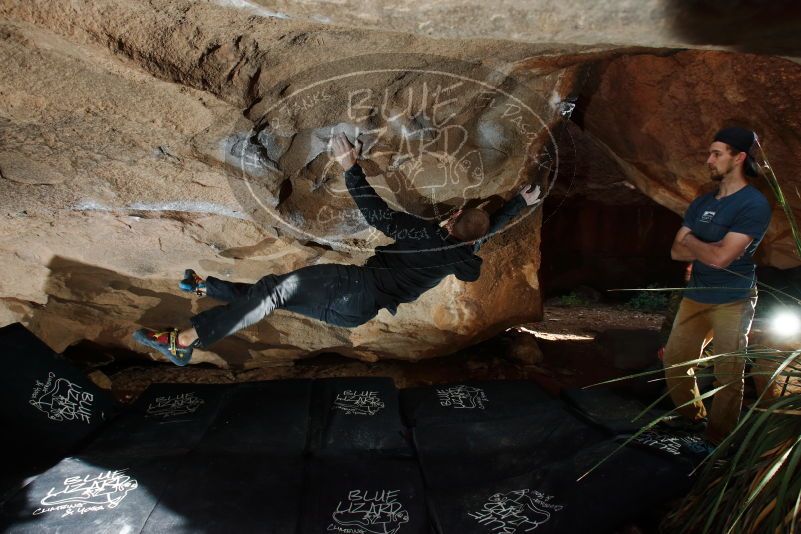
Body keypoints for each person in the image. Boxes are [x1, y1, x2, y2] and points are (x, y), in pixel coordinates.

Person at [134, 133, 543, 365]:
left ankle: (185, 341)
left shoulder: (426, 234)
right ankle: (207, 287)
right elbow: (482, 234)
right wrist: (517, 206)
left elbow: (379, 215)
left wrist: (350, 166)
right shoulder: (463, 256)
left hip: (352, 285)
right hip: (354, 313)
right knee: (272, 295)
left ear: (452, 220)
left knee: (275, 291)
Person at [662, 126, 772, 445]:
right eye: (709, 153)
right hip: (696, 296)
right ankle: (692, 419)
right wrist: (706, 248)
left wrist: (695, 242)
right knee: (675, 362)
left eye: (716, 154)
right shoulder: (702, 202)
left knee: (728, 374)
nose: (709, 160)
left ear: (738, 158)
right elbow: (675, 250)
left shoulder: (753, 204)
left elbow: (721, 258)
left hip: (733, 299)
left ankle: (717, 439)